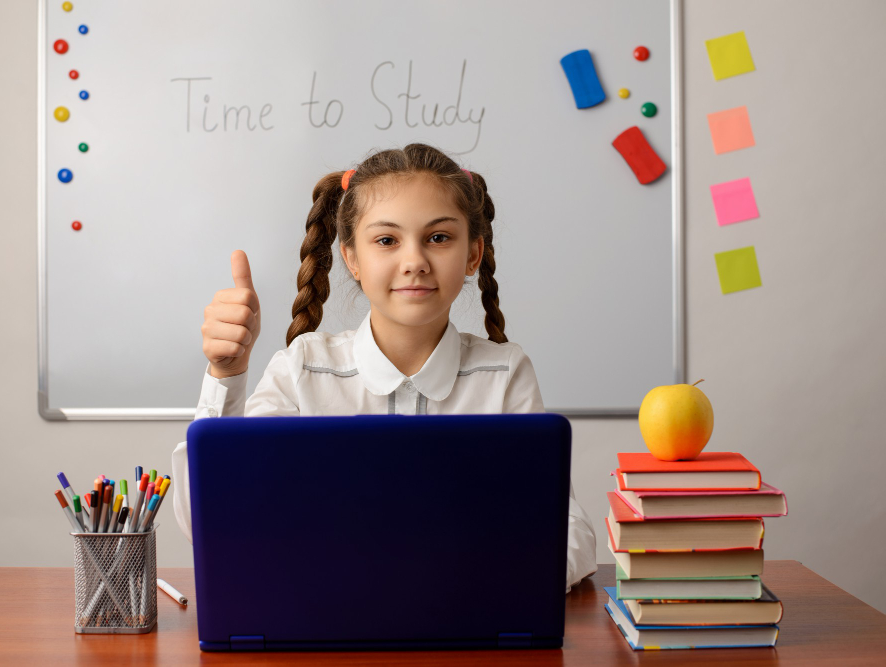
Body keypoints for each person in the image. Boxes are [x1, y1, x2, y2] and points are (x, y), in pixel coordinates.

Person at [172, 143, 597, 592]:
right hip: (327, 620)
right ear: (352, 258)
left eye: (439, 237)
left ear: (473, 254)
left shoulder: (504, 373)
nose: (414, 262)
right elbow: (214, 521)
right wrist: (227, 374)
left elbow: (570, 534)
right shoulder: (303, 369)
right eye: (386, 240)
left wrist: (473, 579)